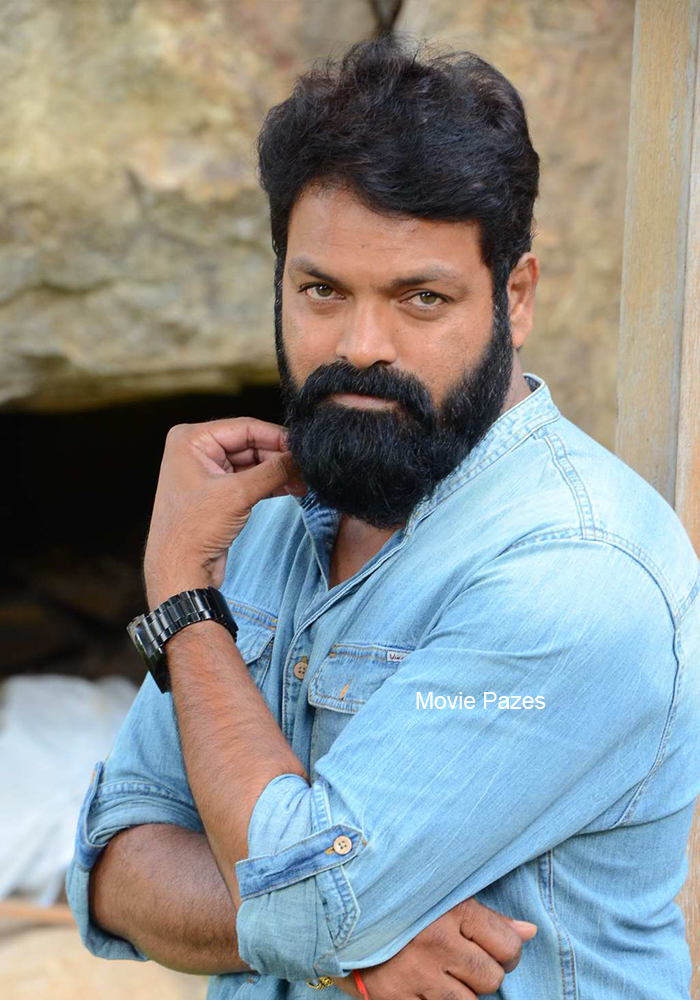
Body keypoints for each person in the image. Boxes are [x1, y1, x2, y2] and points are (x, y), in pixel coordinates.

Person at [66, 36, 700, 1000]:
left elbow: (308, 905)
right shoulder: (262, 518)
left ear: (516, 298)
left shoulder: (578, 572)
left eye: (421, 298)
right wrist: (344, 934)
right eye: (322, 290)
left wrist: (184, 603)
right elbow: (111, 867)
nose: (362, 345)